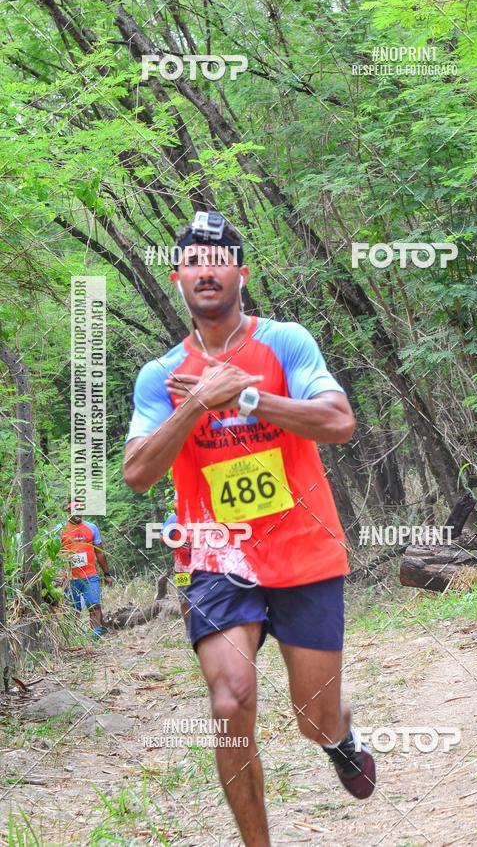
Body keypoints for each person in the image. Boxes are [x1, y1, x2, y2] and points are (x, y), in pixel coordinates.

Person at [123, 211, 375, 846]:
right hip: (217, 554)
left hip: (302, 547)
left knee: (312, 719)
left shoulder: (285, 343)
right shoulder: (160, 376)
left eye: (219, 259)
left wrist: (247, 399)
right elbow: (138, 473)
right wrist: (196, 403)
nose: (206, 270)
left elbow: (339, 422)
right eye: (193, 261)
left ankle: (339, 733)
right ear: (177, 277)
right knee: (230, 701)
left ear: (242, 273)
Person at [60, 502, 113, 638]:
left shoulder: (91, 528)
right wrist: (57, 576)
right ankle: (72, 637)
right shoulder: (60, 529)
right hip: (69, 578)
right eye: (73, 510)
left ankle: (96, 634)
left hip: (90, 575)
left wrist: (107, 574)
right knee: (72, 609)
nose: (77, 513)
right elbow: (54, 554)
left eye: (80, 510)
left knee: (94, 604)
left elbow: (99, 552)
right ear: (68, 511)